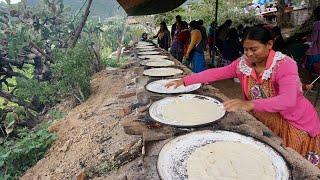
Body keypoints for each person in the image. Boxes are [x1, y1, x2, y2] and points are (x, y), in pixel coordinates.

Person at [166, 26, 320, 167]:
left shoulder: (284, 64)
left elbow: (288, 100)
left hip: (295, 123)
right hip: (267, 119)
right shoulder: (243, 64)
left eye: (254, 49)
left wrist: (250, 104)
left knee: (292, 163)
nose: (249, 54)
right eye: (245, 49)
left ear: (269, 45)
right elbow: (216, 73)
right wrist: (185, 81)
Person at [305, 6, 320, 73]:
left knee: (309, 68)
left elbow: (313, 39)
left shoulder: (317, 24)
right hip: (318, 51)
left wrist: (306, 38)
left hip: (314, 52)